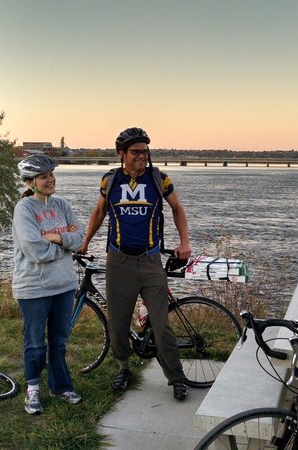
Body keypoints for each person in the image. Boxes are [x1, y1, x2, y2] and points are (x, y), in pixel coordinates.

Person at [78, 127, 193, 401]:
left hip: (150, 260)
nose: (142, 156)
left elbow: (177, 208)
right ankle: (124, 368)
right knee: (117, 325)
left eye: (145, 151)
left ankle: (176, 378)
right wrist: (84, 242)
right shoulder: (110, 180)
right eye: (136, 152)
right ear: (122, 154)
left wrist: (185, 243)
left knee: (161, 323)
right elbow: (99, 211)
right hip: (119, 262)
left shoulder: (159, 179)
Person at [12, 153, 85, 415]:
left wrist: (54, 237)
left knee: (59, 341)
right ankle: (32, 391)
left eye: (51, 175)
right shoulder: (24, 209)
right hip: (33, 288)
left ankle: (61, 386)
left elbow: (79, 237)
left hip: (64, 285)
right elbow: (34, 250)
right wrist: (63, 246)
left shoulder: (62, 206)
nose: (50, 180)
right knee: (35, 342)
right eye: (44, 177)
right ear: (30, 182)